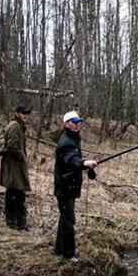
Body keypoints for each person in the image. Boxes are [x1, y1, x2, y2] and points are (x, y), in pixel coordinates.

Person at [54, 111, 98, 262]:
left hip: (70, 186)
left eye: (78, 121)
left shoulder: (73, 138)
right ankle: (69, 254)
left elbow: (75, 158)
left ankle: (59, 249)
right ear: (66, 123)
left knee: (65, 217)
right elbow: (71, 159)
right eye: (74, 121)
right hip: (64, 187)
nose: (77, 124)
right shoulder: (66, 141)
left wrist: (86, 165)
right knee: (69, 220)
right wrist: (84, 163)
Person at [0, 104, 32, 230]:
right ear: (17, 113)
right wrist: (22, 157)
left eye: (27, 113)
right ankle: (19, 223)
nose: (26, 116)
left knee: (13, 193)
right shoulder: (15, 126)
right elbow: (12, 146)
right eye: (24, 113)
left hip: (13, 164)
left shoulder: (17, 125)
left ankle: (12, 222)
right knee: (18, 194)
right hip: (14, 165)